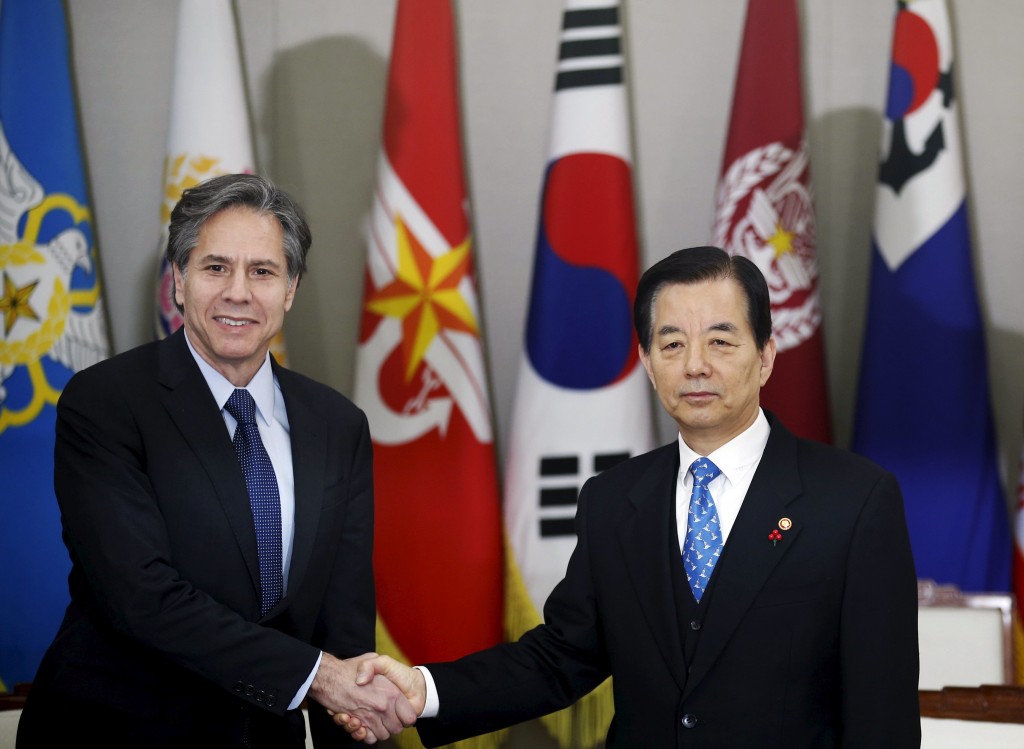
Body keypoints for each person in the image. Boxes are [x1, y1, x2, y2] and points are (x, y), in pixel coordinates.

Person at [341, 246, 921, 747]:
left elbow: (882, 717)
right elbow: (560, 657)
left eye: (721, 341)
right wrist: (425, 689)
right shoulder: (613, 501)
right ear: (646, 362)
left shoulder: (854, 501)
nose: (695, 365)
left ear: (765, 356)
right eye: (671, 344)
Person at [16, 174, 415, 748]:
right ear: (178, 281)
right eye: (215, 267)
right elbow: (142, 598)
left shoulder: (337, 425)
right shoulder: (105, 403)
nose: (238, 293)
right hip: (119, 731)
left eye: (262, 271)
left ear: (291, 289)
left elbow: (345, 625)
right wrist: (320, 676)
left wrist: (350, 712)